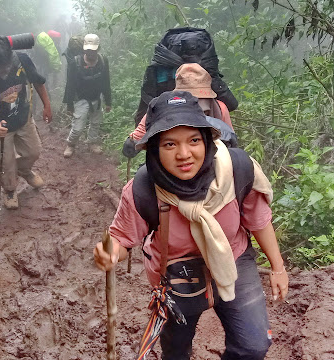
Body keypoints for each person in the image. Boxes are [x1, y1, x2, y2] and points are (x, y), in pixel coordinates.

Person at [94, 91, 288, 360]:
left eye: (194, 140)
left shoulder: (237, 170)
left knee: (254, 347)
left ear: (208, 140)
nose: (184, 154)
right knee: (175, 351)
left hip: (233, 259)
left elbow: (258, 221)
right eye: (170, 145)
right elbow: (122, 237)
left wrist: (278, 267)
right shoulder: (144, 188)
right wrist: (109, 251)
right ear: (154, 149)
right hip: (174, 272)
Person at [0, 35, 53, 209]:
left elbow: (38, 82)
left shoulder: (22, 61)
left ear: (10, 55)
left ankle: (24, 171)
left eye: (6, 65)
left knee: (33, 152)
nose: (4, 70)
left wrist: (47, 104)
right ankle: (9, 190)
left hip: (23, 118)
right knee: (4, 162)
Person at [62, 33, 112, 157]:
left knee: (95, 123)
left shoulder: (103, 61)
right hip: (81, 99)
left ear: (98, 49)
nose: (91, 53)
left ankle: (92, 143)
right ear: (84, 49)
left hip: (97, 97)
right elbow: (70, 84)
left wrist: (108, 101)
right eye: (88, 50)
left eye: (93, 50)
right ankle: (70, 144)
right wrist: (69, 104)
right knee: (78, 127)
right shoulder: (76, 62)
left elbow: (106, 82)